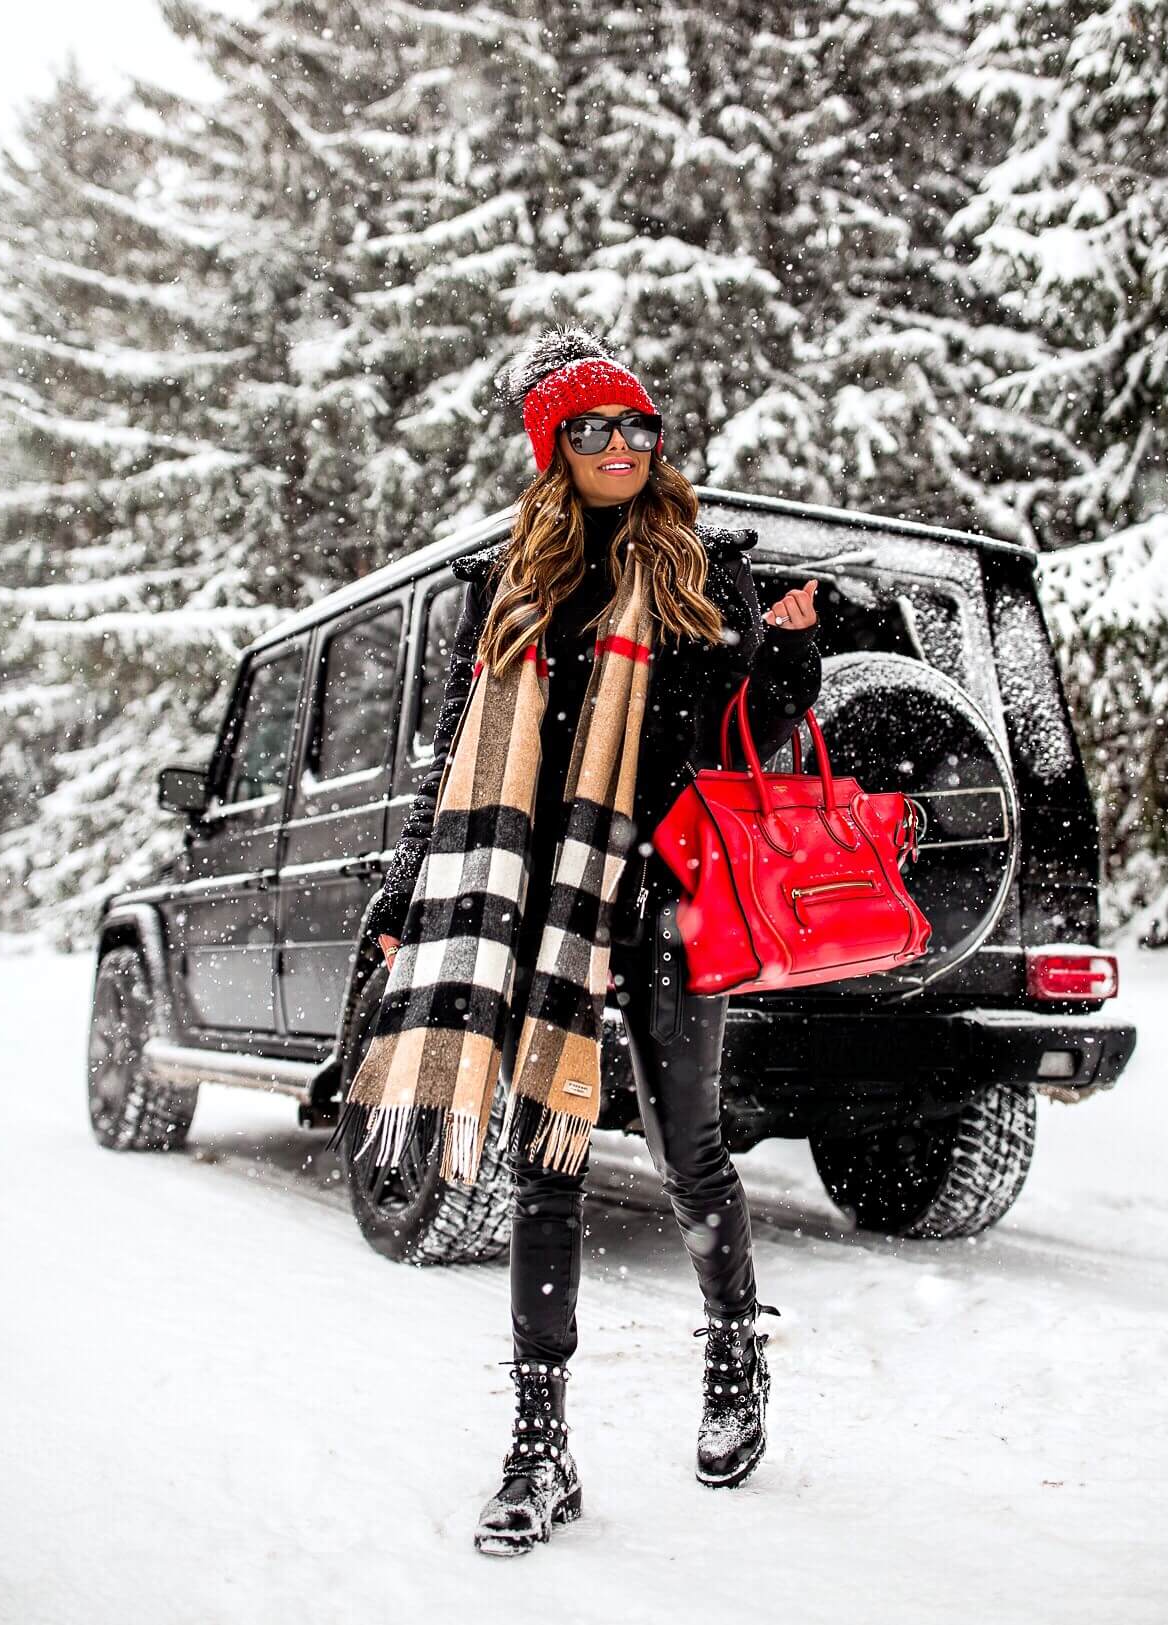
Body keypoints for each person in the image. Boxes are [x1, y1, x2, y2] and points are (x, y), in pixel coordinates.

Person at [343, 325, 822, 1555]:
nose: (621, 447)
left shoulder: (703, 567)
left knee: (686, 1143)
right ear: (554, 448)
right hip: (542, 896)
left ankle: (733, 1359)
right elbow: (458, 759)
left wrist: (796, 647)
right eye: (594, 429)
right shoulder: (513, 587)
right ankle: (539, 1446)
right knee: (546, 1152)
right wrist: (407, 901)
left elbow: (747, 731)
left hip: (670, 892)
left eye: (638, 427)